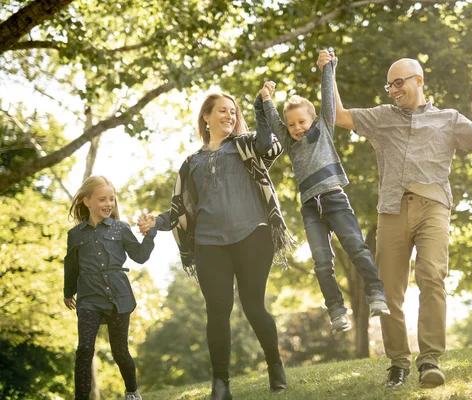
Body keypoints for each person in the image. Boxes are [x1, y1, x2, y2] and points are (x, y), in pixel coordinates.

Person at [317, 50, 472, 388]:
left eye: (399, 82)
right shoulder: (382, 116)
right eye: (390, 85)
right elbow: (339, 116)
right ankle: (398, 362)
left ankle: (430, 359)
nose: (394, 89)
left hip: (433, 206)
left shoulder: (448, 119)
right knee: (388, 290)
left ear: (419, 80)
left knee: (432, 276)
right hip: (392, 209)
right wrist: (329, 71)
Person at [137, 92, 292, 400]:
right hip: (209, 244)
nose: (229, 116)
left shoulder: (246, 145)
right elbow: (182, 209)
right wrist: (156, 220)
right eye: (222, 111)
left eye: (233, 112)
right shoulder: (190, 163)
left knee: (253, 306)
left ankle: (275, 366)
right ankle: (220, 384)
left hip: (253, 236)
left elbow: (270, 145)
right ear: (206, 117)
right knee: (217, 311)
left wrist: (261, 107)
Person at [254, 59, 389, 333]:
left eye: (301, 121)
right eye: (291, 125)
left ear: (313, 119)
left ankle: (376, 294)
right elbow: (275, 123)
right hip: (310, 208)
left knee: (356, 247)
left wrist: (327, 67)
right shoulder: (290, 143)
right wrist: (267, 97)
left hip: (334, 199)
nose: (296, 128)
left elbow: (328, 98)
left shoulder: (324, 127)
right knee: (321, 261)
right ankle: (337, 311)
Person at [64, 175, 156, 400]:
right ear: (87, 201)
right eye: (102, 199)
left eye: (111, 199)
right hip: (89, 297)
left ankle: (132, 391)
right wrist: (68, 293)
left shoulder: (121, 228)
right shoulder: (75, 235)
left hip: (118, 296)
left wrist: (150, 234)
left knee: (120, 351)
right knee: (84, 349)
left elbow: (140, 256)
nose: (108, 204)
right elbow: (71, 265)